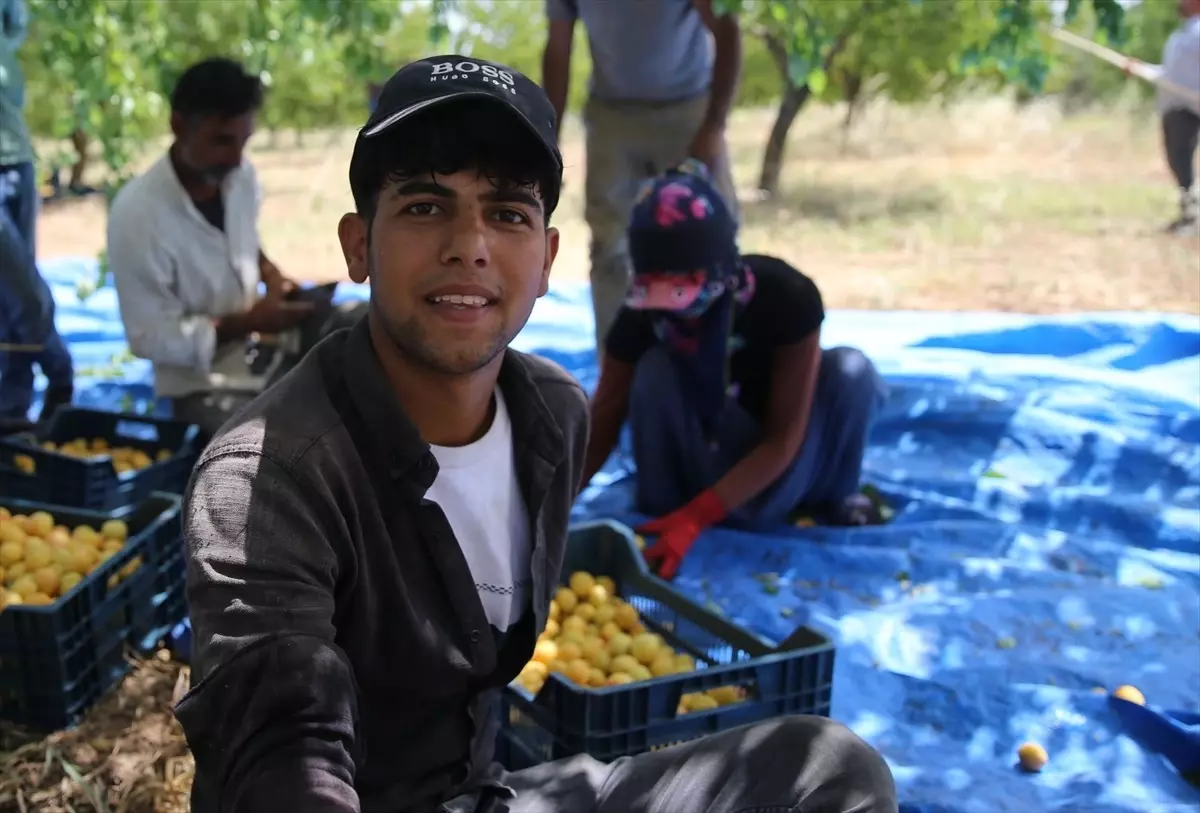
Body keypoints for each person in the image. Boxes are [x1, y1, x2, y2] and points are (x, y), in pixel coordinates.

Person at [174, 55, 897, 813]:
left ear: (547, 258)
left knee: (832, 767)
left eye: (509, 212)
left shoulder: (551, 415)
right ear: (359, 246)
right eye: (425, 205)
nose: (470, 244)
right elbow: (284, 747)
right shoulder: (265, 476)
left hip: (488, 795)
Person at [580, 163, 889, 580]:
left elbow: (784, 439)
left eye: (686, 288)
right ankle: (663, 509)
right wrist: (545, 509)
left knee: (852, 371)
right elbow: (602, 422)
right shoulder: (643, 319)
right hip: (695, 463)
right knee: (653, 368)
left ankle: (836, 498)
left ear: (722, 272)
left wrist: (698, 518)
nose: (675, 309)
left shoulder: (785, 298)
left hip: (778, 473)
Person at [106, 57, 364, 438]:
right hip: (204, 384)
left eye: (244, 141)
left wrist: (273, 277)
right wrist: (249, 322)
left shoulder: (240, 177)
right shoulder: (137, 215)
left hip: (267, 344)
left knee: (368, 325)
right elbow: (148, 337)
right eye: (222, 141)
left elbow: (244, 242)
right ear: (178, 125)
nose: (236, 157)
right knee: (265, 444)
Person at [541, 0, 742, 350]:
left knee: (711, 238)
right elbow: (558, 49)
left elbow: (727, 30)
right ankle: (616, 371)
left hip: (686, 112)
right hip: (611, 115)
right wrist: (548, 140)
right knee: (609, 249)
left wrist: (713, 125)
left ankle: (717, 362)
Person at [0, 0, 74, 432]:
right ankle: (60, 374)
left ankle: (12, 415)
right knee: (23, 291)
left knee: (11, 294)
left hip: (15, 159)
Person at [1155, 0, 1200, 233]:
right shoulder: (1180, 36)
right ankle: (1187, 212)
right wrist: (1139, 68)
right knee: (1176, 161)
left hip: (1188, 108)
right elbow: (1169, 74)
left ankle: (1192, 217)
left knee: (1182, 159)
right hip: (1172, 107)